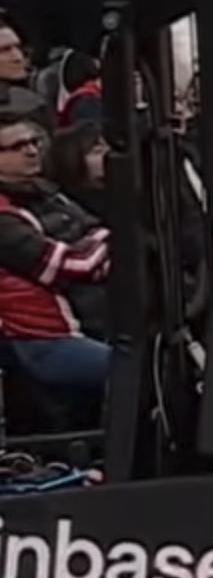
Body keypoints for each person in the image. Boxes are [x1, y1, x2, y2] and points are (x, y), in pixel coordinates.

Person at [0, 109, 110, 413]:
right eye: (16, 146)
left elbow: (98, 231)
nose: (31, 150)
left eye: (33, 141)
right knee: (144, 376)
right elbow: (73, 266)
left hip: (93, 319)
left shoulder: (48, 194)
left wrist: (100, 245)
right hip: (41, 340)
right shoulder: (4, 217)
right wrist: (105, 245)